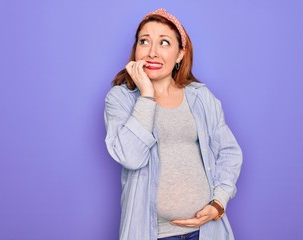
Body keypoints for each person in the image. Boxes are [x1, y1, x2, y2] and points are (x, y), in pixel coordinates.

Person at [104, 8, 242, 240]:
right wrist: (147, 95)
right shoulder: (120, 99)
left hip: (206, 231)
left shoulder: (200, 97)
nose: (152, 52)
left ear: (180, 54)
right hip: (152, 233)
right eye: (144, 41)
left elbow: (228, 151)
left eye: (164, 43)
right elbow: (131, 157)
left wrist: (219, 202)